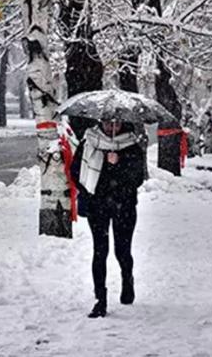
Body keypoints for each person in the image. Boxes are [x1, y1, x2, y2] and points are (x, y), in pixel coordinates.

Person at [70, 119, 146, 318]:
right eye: (107, 124)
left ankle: (127, 280)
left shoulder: (132, 147)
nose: (112, 128)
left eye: (116, 125)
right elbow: (76, 171)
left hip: (124, 207)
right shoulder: (89, 143)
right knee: (99, 251)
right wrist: (88, 192)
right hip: (98, 207)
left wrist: (118, 163)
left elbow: (137, 178)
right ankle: (100, 300)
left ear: (123, 125)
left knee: (122, 250)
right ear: (100, 123)